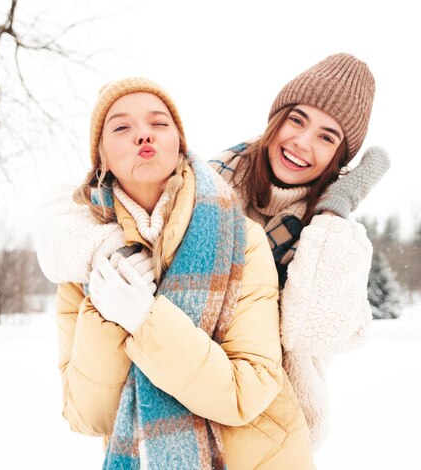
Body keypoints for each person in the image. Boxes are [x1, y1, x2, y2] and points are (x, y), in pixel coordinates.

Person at [36, 77, 314, 469]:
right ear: (101, 156)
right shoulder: (83, 260)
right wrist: (108, 317)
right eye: (121, 127)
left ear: (179, 143)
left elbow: (245, 393)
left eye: (158, 123)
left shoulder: (239, 239)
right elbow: (88, 416)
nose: (143, 135)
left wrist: (145, 320)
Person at [208, 53, 390, 450]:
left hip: (274, 430)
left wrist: (331, 212)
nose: (302, 143)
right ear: (278, 118)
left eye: (327, 137)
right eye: (297, 120)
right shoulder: (207, 186)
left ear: (339, 158)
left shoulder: (337, 239)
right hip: (182, 404)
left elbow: (305, 331)